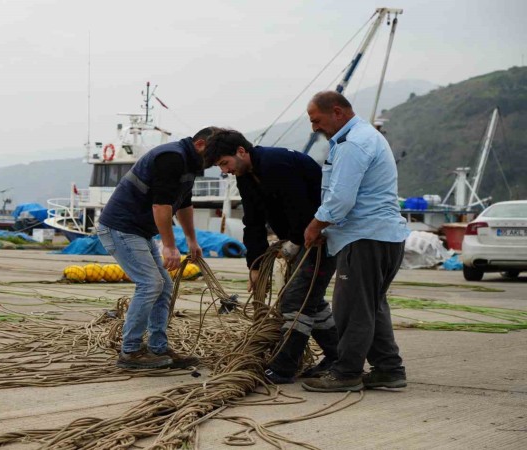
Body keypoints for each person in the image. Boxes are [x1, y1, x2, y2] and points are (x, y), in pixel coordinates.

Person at [203, 129, 340, 384]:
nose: (225, 170)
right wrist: (254, 267)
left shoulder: (277, 164)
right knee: (311, 299)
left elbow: (301, 207)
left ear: (241, 151)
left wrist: (294, 243)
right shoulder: (246, 176)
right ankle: (337, 356)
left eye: (224, 163)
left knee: (294, 301)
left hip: (321, 238)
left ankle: (284, 367)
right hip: (301, 239)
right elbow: (253, 222)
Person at [301, 91, 410, 392]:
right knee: (372, 306)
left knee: (351, 308)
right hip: (384, 237)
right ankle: (389, 369)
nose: (315, 128)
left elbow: (341, 199)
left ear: (337, 112)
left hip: (364, 238)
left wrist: (315, 226)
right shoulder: (366, 137)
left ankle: (346, 373)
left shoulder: (353, 143)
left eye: (316, 120)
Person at [97, 128, 218, 370]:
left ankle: (158, 348)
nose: (216, 164)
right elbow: (161, 206)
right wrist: (170, 246)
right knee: (150, 284)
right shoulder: (171, 157)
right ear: (200, 145)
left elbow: (184, 203)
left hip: (139, 232)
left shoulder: (191, 163)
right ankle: (130, 351)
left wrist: (192, 240)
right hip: (121, 228)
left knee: (164, 287)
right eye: (215, 157)